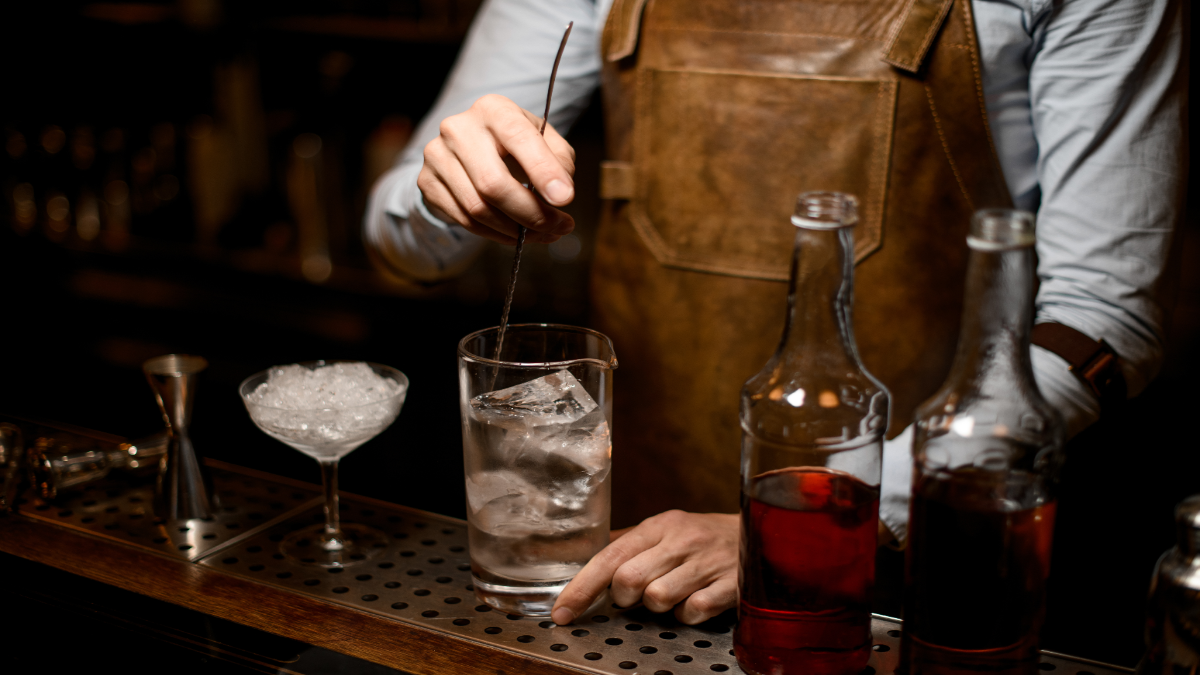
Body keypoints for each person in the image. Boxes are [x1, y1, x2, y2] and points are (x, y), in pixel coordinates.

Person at [364, 0, 1186, 627]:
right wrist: (447, 189)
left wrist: (818, 517)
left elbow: (1104, 320)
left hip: (923, 580)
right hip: (629, 571)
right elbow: (398, 243)